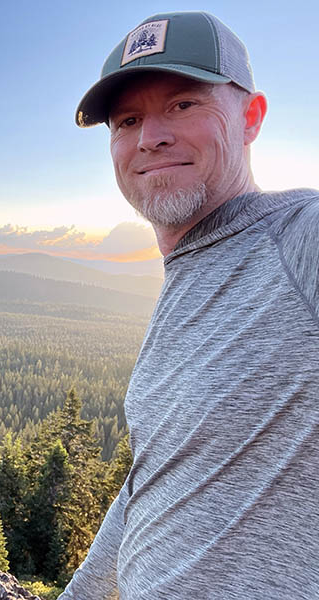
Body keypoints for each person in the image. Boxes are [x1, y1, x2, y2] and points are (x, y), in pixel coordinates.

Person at [60, 11, 319, 599]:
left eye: (183, 104)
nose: (151, 136)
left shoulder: (300, 235)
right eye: (128, 120)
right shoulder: (190, 276)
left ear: (251, 117)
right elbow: (155, 478)